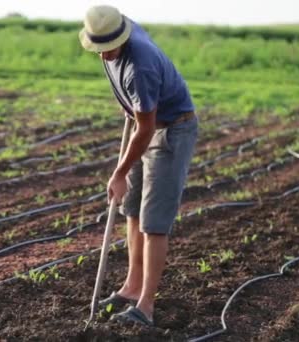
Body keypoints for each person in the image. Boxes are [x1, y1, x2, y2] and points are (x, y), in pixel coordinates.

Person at [79, 5, 199, 327]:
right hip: (145, 123)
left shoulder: (140, 67)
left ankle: (145, 307)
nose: (104, 56)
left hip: (171, 129)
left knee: (153, 222)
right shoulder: (115, 33)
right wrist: (130, 106)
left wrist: (119, 172)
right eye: (99, 49)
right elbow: (139, 117)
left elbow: (146, 129)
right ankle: (131, 288)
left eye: (109, 49)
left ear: (122, 37)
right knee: (131, 209)